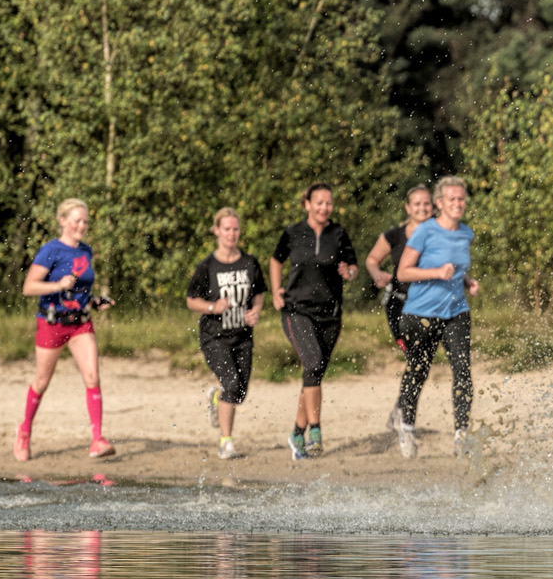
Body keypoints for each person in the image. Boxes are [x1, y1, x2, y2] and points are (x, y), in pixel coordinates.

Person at [14, 198, 116, 461]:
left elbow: (80, 290)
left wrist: (95, 301)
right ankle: (24, 431)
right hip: (52, 323)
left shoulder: (86, 251)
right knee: (42, 381)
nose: (82, 226)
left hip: (81, 323)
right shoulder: (50, 251)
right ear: (63, 221)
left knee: (92, 376)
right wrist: (57, 285)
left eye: (85, 221)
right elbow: (29, 287)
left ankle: (97, 440)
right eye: (77, 221)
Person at [391, 176, 480, 458]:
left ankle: (461, 435)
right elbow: (403, 272)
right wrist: (435, 273)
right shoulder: (424, 232)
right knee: (418, 372)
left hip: (456, 312)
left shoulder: (466, 233)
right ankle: (406, 428)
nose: (457, 203)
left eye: (461, 198)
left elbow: (456, 267)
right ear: (439, 203)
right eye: (451, 199)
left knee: (463, 371)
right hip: (420, 314)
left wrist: (468, 281)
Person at [269, 182, 358, 460]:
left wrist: (349, 271)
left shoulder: (339, 234)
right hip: (297, 311)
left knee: (313, 373)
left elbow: (353, 266)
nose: (324, 207)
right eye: (318, 202)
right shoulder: (292, 233)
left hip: (330, 314)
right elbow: (276, 260)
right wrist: (275, 291)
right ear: (306, 204)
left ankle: (296, 432)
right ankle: (315, 431)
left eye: (328, 203)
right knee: (314, 363)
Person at [185, 207, 266, 461]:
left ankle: (216, 398)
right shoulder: (208, 266)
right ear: (217, 231)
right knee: (231, 383)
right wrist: (212, 307)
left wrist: (255, 311)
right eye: (227, 229)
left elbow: (260, 292)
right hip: (214, 336)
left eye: (236, 229)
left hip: (242, 337)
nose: (232, 234)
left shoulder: (249, 263)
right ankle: (225, 443)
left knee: (239, 393)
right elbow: (190, 300)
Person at [365, 185, 433, 354]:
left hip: (432, 302)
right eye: (417, 204)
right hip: (400, 303)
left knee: (425, 353)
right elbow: (372, 259)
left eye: (427, 204)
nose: (422, 208)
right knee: (413, 354)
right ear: (408, 208)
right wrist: (377, 273)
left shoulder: (442, 235)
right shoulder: (394, 235)